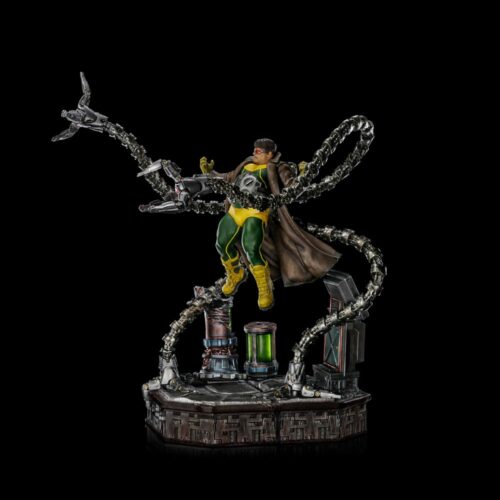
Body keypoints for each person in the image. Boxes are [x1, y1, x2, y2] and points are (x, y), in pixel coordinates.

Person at [201, 138, 341, 311]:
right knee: (221, 243)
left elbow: (292, 187)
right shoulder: (246, 164)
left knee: (251, 247)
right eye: (254, 150)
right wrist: (211, 172)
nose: (254, 153)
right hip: (235, 210)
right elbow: (228, 178)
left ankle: (264, 287)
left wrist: (303, 174)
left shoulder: (277, 167)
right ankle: (235, 273)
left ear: (270, 154)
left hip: (256, 212)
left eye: (259, 151)